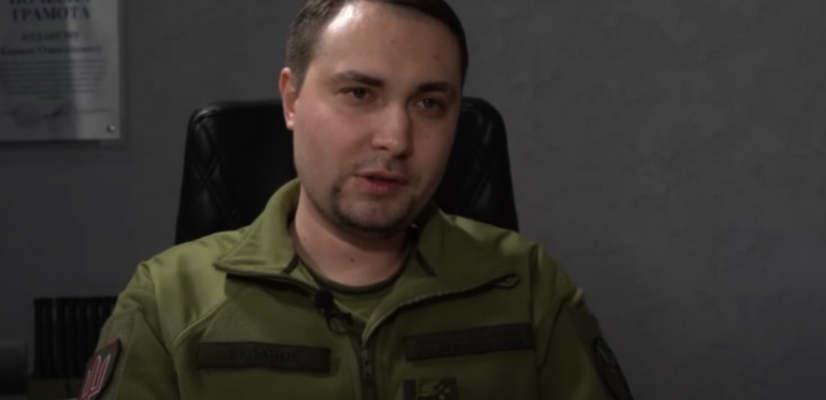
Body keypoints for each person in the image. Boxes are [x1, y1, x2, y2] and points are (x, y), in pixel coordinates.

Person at [82, 0, 633, 399]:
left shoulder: (528, 287)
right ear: (292, 100)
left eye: (429, 103)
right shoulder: (167, 301)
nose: (396, 138)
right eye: (359, 93)